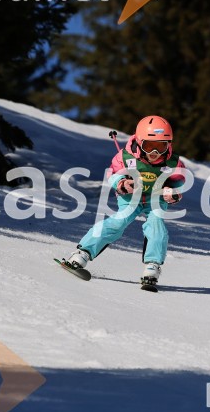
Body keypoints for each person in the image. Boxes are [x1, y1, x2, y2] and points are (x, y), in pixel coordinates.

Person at [63, 115, 186, 290]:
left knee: (156, 225)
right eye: (149, 146)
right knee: (117, 222)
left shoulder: (173, 161)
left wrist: (172, 193)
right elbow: (112, 174)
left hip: (155, 200)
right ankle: (82, 252)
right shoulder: (126, 156)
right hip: (131, 198)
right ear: (139, 141)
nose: (155, 153)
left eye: (161, 147)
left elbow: (178, 182)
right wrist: (122, 183)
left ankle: (152, 266)